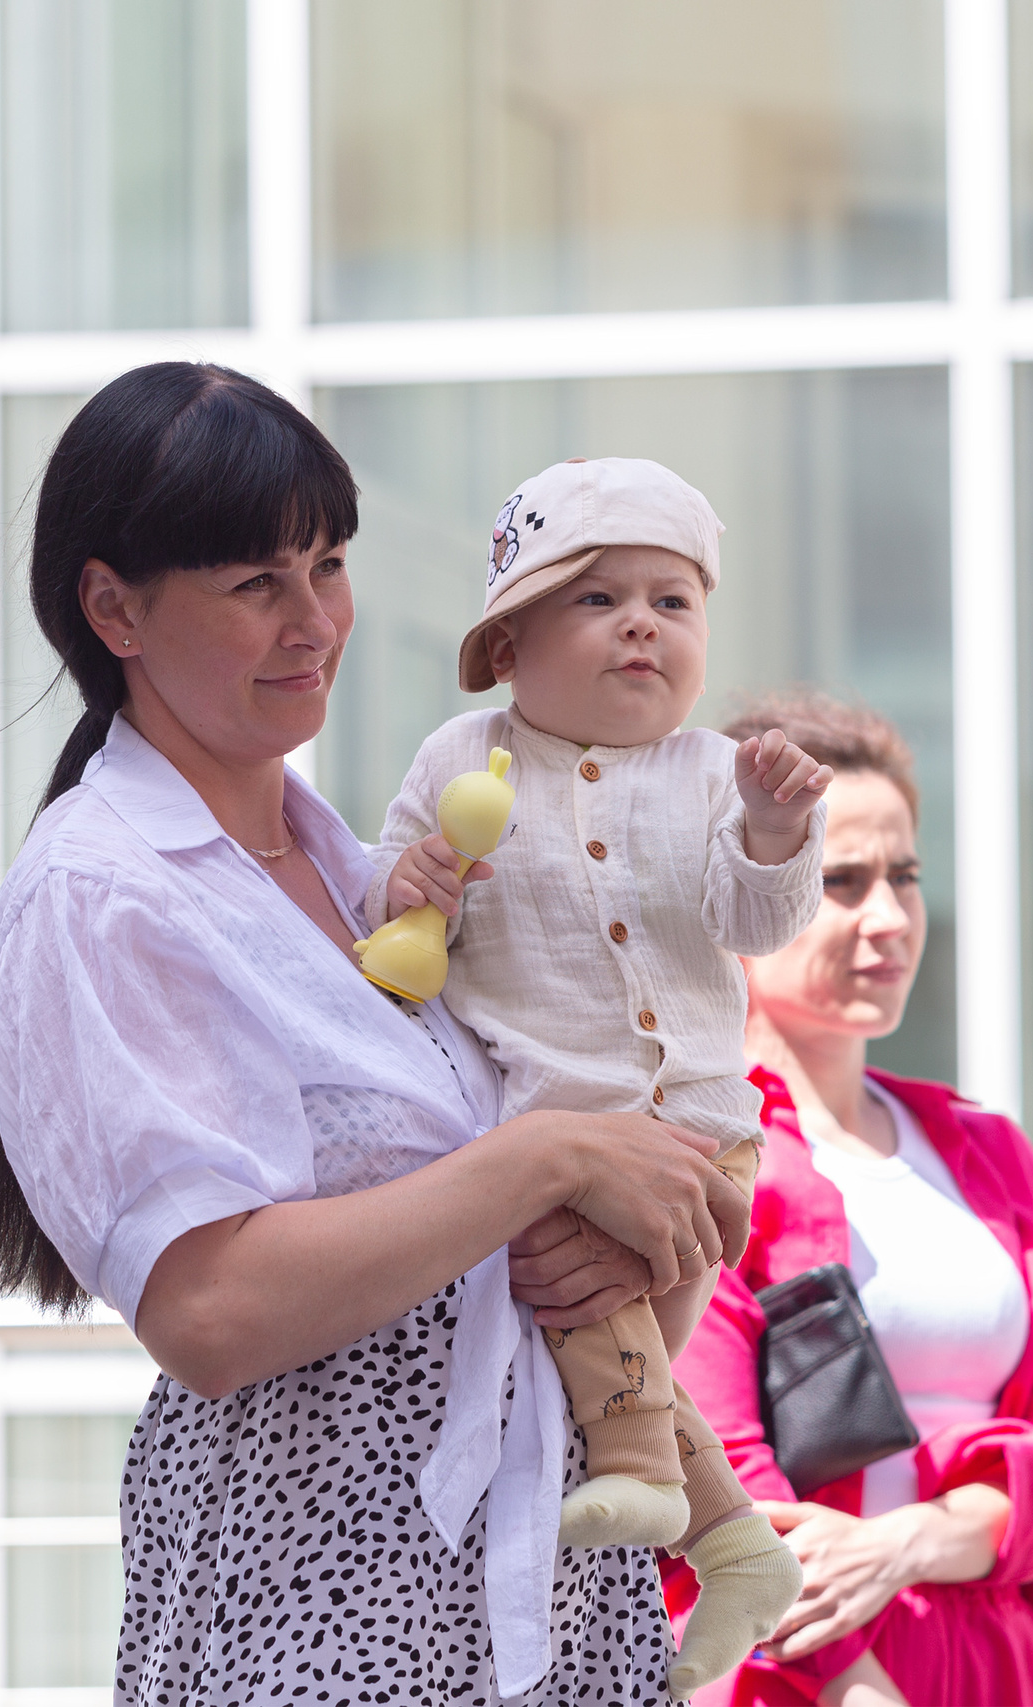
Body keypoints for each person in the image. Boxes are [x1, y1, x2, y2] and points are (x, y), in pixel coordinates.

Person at [0, 363, 753, 1707]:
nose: (314, 619)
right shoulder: (103, 889)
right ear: (112, 607)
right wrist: (550, 1156)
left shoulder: (361, 856)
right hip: (321, 1595)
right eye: (255, 583)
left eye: (328, 563)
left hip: (547, 1582)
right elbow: (208, 1308)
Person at [372, 457, 826, 1694]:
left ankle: (645, 1486)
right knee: (595, 1335)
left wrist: (779, 834)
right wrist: (408, 890)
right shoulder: (464, 756)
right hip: (552, 1146)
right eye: (599, 599)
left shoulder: (708, 773)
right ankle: (731, 1542)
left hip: (697, 1134)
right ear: (508, 645)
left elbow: (754, 915)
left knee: (593, 1335)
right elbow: (395, 921)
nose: (642, 624)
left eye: (672, 602)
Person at [668, 691, 1033, 1707]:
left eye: (904, 878)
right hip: (812, 1672)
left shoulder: (988, 1153)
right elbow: (719, 1477)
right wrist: (855, 1686)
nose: (887, 918)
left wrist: (912, 1542)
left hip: (1007, 1659)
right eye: (840, 882)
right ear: (737, 896)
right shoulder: (699, 1157)